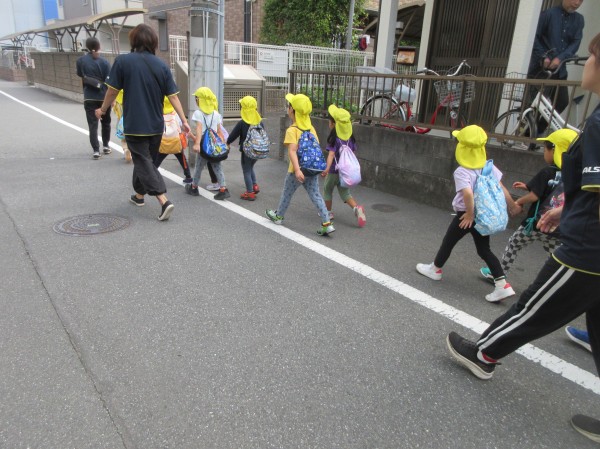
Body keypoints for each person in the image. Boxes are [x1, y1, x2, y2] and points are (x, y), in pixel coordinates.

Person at [446, 33, 600, 444]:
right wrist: (562, 207)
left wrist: (569, 213)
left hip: (589, 248)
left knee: (535, 306)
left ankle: (484, 353)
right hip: (585, 233)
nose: (584, 63)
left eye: (591, 56)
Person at [95, 23, 190, 222]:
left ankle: (163, 200)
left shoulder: (123, 61)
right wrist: (184, 120)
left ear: (134, 40)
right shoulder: (161, 65)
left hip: (136, 124)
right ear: (153, 42)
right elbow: (173, 96)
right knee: (145, 162)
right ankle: (139, 196)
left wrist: (102, 110)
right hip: (156, 126)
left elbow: (112, 91)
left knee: (144, 162)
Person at [416, 125, 519, 303]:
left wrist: (470, 215)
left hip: (466, 215)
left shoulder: (462, 171)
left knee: (449, 241)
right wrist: (513, 205)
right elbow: (501, 187)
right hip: (483, 216)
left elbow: (468, 194)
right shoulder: (488, 166)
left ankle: (435, 269)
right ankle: (502, 284)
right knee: (484, 249)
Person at [479, 128, 578, 281]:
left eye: (545, 149)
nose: (544, 153)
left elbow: (534, 195)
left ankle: (499, 273)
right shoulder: (573, 175)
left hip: (535, 224)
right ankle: (553, 280)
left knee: (514, 245)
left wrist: (517, 202)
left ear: (554, 150)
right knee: (555, 256)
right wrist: (527, 186)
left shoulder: (547, 172)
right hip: (556, 227)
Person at [265, 93, 334, 236]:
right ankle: (327, 223)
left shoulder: (292, 130)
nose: (288, 108)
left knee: (287, 193)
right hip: (312, 169)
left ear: (292, 110)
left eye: (289, 106)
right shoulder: (311, 129)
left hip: (296, 171)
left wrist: (297, 170)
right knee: (316, 195)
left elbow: (292, 151)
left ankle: (279, 216)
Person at [527, 0, 584, 134]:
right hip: (542, 70)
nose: (577, 3)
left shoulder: (579, 19)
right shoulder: (548, 14)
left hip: (560, 70)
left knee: (562, 102)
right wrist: (544, 56)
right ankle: (528, 136)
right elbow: (535, 37)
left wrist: (560, 58)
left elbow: (575, 43)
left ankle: (535, 132)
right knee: (537, 105)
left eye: (581, 1)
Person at [321, 104, 366, 227]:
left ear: (333, 124)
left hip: (333, 172)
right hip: (344, 173)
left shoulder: (334, 139)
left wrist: (326, 169)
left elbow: (331, 155)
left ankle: (328, 213)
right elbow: (352, 154)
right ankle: (356, 208)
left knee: (327, 190)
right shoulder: (350, 139)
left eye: (330, 121)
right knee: (345, 193)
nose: (329, 123)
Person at [185, 87, 231, 200]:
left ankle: (194, 187)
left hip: (204, 145)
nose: (196, 100)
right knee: (217, 166)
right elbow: (219, 131)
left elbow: (199, 128)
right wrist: (224, 144)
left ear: (200, 100)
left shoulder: (198, 113)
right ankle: (223, 189)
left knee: (199, 167)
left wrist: (197, 143)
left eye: (197, 98)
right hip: (214, 145)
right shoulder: (216, 114)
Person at [76, 37, 112, 159]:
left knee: (92, 124)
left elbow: (80, 75)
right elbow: (109, 81)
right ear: (98, 47)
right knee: (106, 122)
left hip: (89, 97)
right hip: (103, 97)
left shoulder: (81, 61)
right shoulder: (105, 62)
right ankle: (106, 146)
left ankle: (96, 151)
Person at [226, 96, 264, 200]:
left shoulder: (242, 123)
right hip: (258, 150)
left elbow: (233, 135)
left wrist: (227, 142)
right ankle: (254, 185)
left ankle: (250, 192)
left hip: (247, 151)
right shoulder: (260, 122)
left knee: (246, 170)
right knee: (250, 167)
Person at [154, 96, 192, 184]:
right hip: (176, 141)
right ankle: (188, 176)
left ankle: (151, 176)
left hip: (164, 141)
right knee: (182, 159)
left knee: (157, 160)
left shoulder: (159, 114)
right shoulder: (175, 114)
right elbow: (181, 125)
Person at [112, 89, 132, 162]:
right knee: (132, 125)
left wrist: (113, 100)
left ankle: (126, 148)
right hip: (133, 101)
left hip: (120, 100)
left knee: (122, 125)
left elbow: (113, 88)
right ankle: (132, 149)